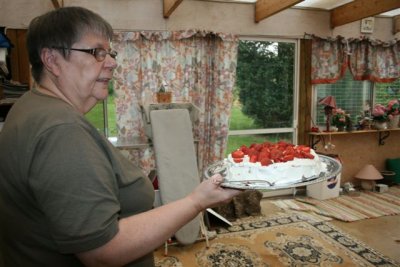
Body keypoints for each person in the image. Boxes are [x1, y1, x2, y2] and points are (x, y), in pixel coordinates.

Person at [0, 6, 240, 267]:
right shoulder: (61, 130)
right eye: (97, 52)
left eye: (110, 52)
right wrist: (197, 201)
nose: (113, 62)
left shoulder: (29, 105)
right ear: (52, 60)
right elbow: (102, 252)